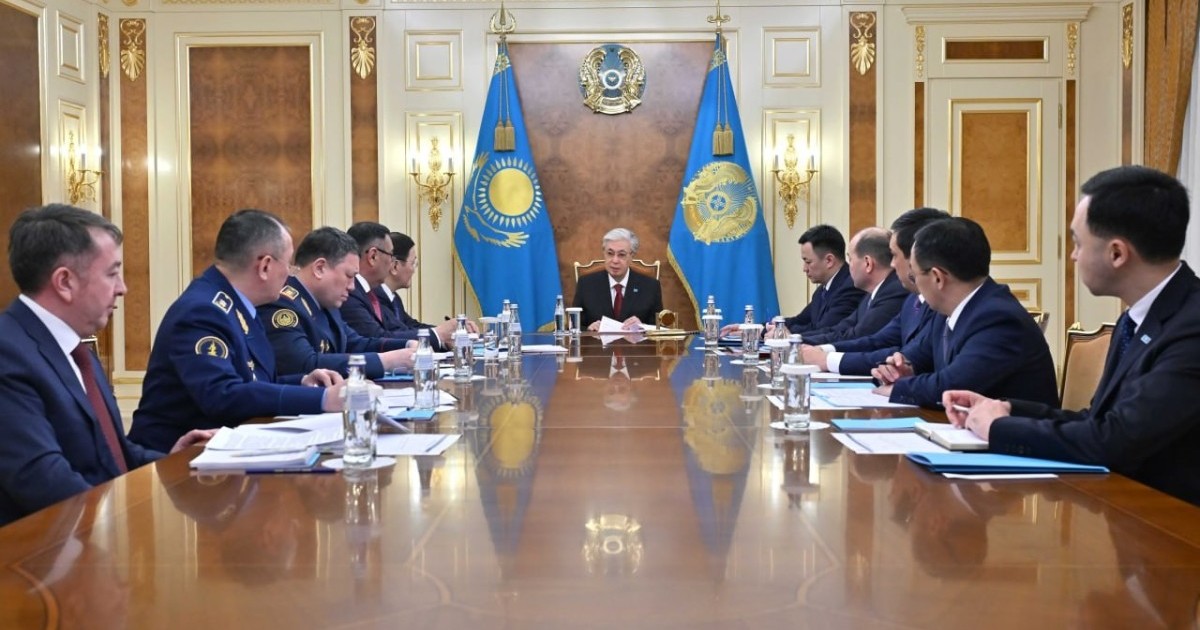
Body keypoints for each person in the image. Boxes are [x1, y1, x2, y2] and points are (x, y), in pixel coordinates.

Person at [945, 165, 1200, 506]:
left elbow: (1115, 440)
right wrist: (1007, 409)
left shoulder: (1191, 327)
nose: (1073, 255)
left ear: (1117, 253)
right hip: (1128, 510)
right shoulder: (1135, 319)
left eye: (1078, 243)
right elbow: (1098, 421)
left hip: (1174, 526)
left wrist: (998, 428)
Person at [0, 204, 213, 525]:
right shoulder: (8, 351)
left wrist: (176, 461)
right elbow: (42, 479)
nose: (123, 288)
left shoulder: (75, 347)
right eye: (112, 273)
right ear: (65, 282)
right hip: (43, 559)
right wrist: (127, 526)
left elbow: (109, 454)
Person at [129, 210, 348, 453]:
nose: (290, 273)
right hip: (173, 463)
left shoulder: (239, 306)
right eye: (288, 264)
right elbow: (223, 394)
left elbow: (255, 381)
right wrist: (323, 399)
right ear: (265, 265)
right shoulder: (202, 311)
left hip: (223, 452)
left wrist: (304, 382)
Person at [872, 217, 1058, 408]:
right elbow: (917, 359)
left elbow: (952, 386)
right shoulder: (946, 313)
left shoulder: (998, 318)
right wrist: (900, 370)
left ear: (937, 277)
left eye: (915, 275)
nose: (915, 284)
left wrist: (901, 387)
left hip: (1012, 435)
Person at [801, 208, 948, 374]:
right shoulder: (912, 299)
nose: (891, 264)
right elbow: (878, 340)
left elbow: (905, 355)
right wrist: (820, 350)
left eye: (894, 255)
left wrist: (826, 359)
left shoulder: (903, 293)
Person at [260, 227, 414, 378]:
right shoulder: (282, 304)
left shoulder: (326, 302)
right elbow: (305, 365)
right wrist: (386, 361)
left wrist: (407, 345)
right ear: (319, 268)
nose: (352, 286)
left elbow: (355, 343)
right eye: (349, 275)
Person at [724, 224, 864, 336]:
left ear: (829, 260)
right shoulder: (823, 290)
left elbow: (823, 330)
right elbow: (799, 321)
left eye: (808, 262)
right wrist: (754, 328)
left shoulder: (850, 287)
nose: (804, 268)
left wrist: (777, 333)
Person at [339, 223, 462, 349]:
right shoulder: (350, 294)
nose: (392, 262)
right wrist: (438, 334)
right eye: (391, 255)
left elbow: (403, 328)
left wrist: (443, 334)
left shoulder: (369, 293)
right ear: (373, 256)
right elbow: (377, 338)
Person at [799, 227, 907, 345]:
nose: (848, 267)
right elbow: (839, 329)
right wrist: (794, 339)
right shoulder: (870, 296)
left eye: (850, 259)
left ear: (868, 263)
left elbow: (858, 336)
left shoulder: (894, 292)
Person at [374, 231, 476, 343]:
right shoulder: (375, 299)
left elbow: (412, 325)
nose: (414, 270)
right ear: (395, 266)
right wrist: (441, 333)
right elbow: (398, 333)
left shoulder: (393, 298)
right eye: (413, 263)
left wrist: (450, 330)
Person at [573, 227, 663, 330]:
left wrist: (643, 327)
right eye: (610, 253)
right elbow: (573, 327)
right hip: (597, 344)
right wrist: (588, 329)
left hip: (636, 345)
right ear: (604, 253)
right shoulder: (586, 285)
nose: (615, 260)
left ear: (632, 255)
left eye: (621, 255)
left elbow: (659, 329)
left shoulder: (650, 287)